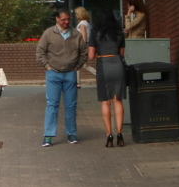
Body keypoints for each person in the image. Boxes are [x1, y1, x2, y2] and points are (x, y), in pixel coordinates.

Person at [35, 9, 88, 147]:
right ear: (57, 19)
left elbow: (84, 52)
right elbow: (40, 52)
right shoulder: (48, 33)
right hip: (53, 73)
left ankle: (71, 133)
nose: (67, 22)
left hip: (70, 73)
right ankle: (48, 136)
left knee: (71, 105)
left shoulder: (76, 34)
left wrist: (77, 66)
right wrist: (47, 66)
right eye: (64, 19)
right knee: (52, 105)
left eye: (68, 19)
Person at [88, 8, 127, 147]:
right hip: (117, 65)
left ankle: (109, 134)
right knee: (118, 100)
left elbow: (91, 55)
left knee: (105, 102)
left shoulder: (94, 32)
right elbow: (122, 54)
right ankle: (120, 134)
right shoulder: (119, 32)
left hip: (103, 65)